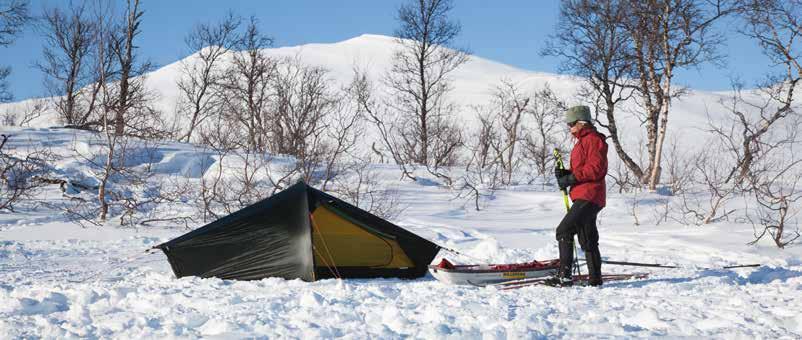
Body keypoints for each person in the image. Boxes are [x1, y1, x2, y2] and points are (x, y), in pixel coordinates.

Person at [546, 105, 608, 287]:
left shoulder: (593, 140)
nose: (569, 128)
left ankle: (564, 277)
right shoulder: (582, 142)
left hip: (590, 195)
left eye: (571, 124)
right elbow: (583, 169)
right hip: (585, 194)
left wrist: (571, 177)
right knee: (587, 238)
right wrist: (566, 174)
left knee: (564, 230)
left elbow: (596, 169)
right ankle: (595, 279)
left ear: (581, 123)